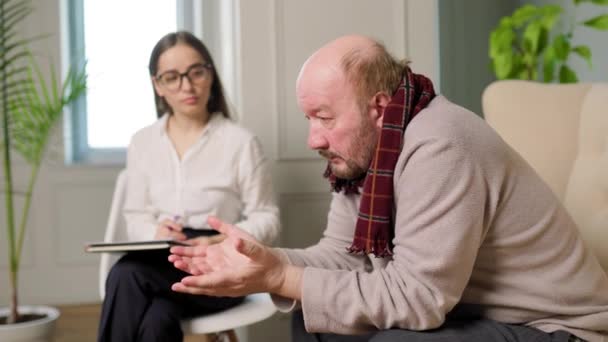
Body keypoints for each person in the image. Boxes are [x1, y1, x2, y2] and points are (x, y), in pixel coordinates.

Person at [168, 35, 608, 341]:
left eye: (324, 117)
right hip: (472, 315)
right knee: (315, 321)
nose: (313, 139)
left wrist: (282, 276)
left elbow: (419, 299)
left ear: (378, 107)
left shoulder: (441, 143)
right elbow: (346, 257)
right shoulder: (367, 152)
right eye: (309, 119)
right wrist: (266, 262)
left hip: (555, 328)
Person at [97, 31, 280, 342]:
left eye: (196, 72)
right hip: (163, 258)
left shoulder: (240, 142)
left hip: (219, 264)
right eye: (172, 77)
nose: (187, 85)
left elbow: (268, 217)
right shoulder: (142, 143)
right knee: (157, 319)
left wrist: (223, 239)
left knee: (126, 274)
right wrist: (157, 233)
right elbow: (135, 218)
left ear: (210, 73)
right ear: (157, 85)